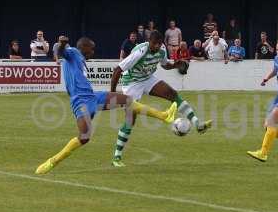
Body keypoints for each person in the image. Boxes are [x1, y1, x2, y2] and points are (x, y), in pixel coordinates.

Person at [35, 36, 177, 175]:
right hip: (80, 101)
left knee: (127, 100)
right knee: (84, 137)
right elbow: (60, 52)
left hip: (93, 96)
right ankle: (53, 161)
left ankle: (164, 116)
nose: (93, 52)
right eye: (91, 49)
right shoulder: (73, 52)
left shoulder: (80, 58)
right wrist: (62, 43)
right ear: (83, 48)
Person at [110, 31, 212, 167]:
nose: (156, 47)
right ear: (149, 42)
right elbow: (118, 70)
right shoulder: (140, 51)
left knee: (172, 94)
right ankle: (117, 157)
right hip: (132, 83)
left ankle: (197, 124)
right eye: (154, 44)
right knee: (130, 120)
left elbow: (164, 65)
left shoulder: (162, 50)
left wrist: (176, 64)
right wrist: (112, 93)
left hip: (147, 79)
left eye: (159, 44)